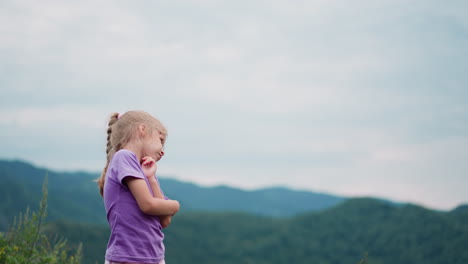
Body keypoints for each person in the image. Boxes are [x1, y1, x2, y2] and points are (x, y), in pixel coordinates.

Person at [97, 111, 180, 264]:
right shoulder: (124, 156)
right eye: (161, 140)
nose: (163, 151)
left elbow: (164, 220)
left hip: (153, 257)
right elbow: (148, 205)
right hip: (129, 258)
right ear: (142, 129)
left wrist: (151, 179)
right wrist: (175, 205)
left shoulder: (143, 173)